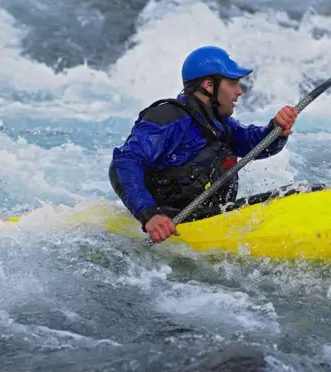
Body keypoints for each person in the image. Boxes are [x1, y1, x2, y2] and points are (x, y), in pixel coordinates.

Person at [109, 46, 298, 243]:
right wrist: (148, 214)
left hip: (209, 216)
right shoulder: (168, 118)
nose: (239, 91)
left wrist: (276, 129)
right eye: (233, 83)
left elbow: (255, 145)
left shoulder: (219, 124)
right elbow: (124, 163)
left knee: (293, 193)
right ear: (209, 85)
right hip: (172, 223)